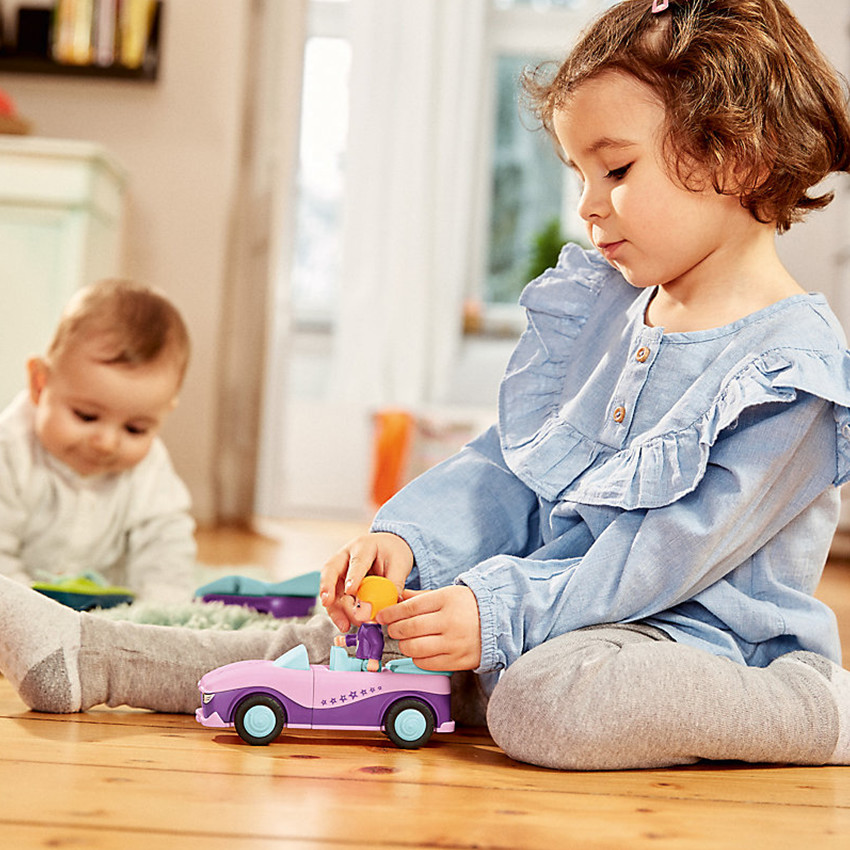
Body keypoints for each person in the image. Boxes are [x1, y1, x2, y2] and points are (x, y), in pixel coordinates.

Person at [0, 0, 848, 771]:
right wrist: (409, 542)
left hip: (699, 646)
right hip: (551, 615)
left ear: (738, 156)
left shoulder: (789, 371)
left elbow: (657, 560)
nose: (588, 206)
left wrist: (497, 609)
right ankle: (93, 657)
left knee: (547, 702)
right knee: (358, 638)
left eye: (616, 171)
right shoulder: (613, 310)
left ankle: (816, 712)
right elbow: (507, 466)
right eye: (579, 175)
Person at [0, 278, 196, 603]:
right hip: (22, 599)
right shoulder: (10, 451)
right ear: (40, 383)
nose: (106, 443)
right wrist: (27, 609)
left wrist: (162, 604)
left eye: (135, 429)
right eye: (86, 416)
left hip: (105, 604)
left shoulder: (149, 467)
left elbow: (166, 543)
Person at [332, 575, 399, 671]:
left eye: (358, 605)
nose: (353, 609)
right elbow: (359, 639)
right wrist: (346, 640)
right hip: (362, 660)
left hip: (368, 663)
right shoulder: (365, 627)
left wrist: (374, 660)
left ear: (376, 608)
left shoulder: (372, 630)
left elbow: (377, 644)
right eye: (355, 603)